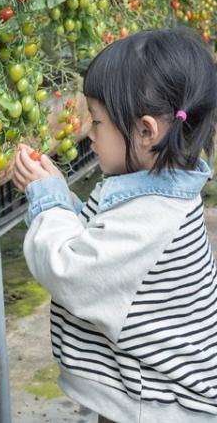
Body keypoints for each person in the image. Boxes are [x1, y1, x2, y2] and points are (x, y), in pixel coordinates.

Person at [12, 28, 217, 422]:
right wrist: (62, 198)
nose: (88, 133)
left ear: (145, 130)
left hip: (160, 408)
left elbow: (71, 271)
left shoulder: (152, 217)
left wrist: (48, 200)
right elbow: (99, 242)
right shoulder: (159, 194)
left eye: (97, 121)